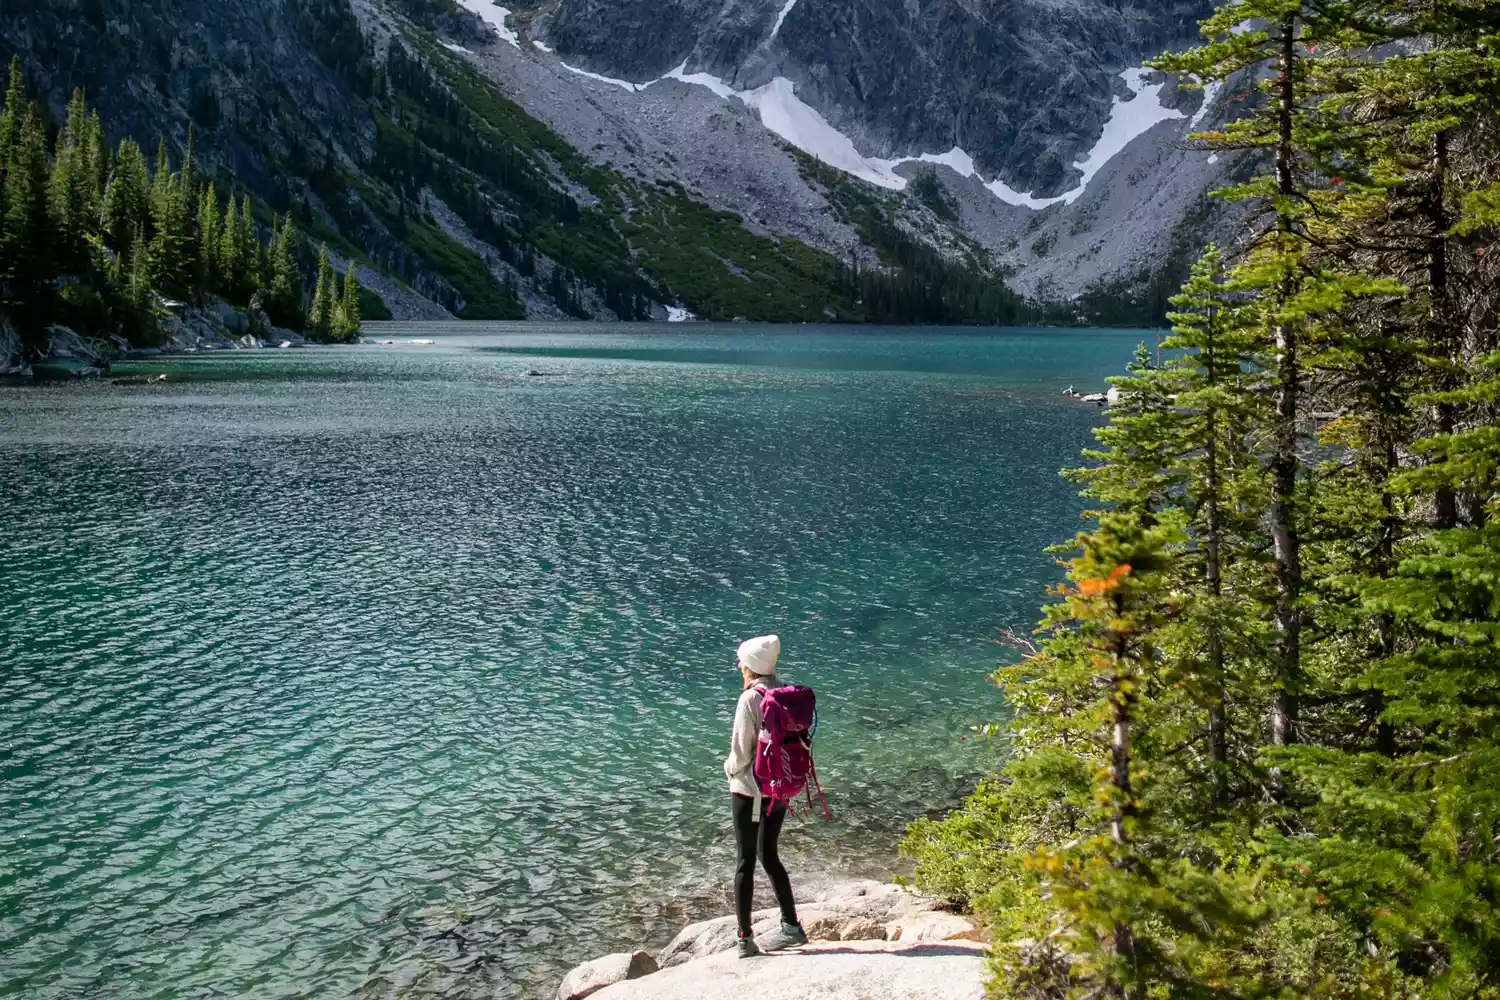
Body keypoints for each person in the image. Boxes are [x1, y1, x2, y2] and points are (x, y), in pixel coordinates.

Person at [723, 633, 807, 958]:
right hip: (779, 788)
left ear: (751, 667)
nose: (739, 665)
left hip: (750, 790)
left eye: (741, 661)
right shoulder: (783, 691)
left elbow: (741, 755)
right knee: (769, 855)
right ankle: (791, 926)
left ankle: (745, 939)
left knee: (745, 861)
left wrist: (728, 769)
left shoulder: (749, 700)